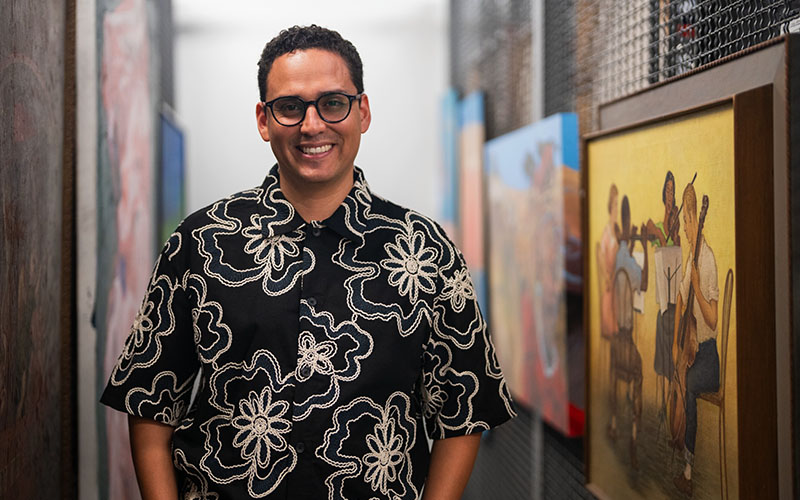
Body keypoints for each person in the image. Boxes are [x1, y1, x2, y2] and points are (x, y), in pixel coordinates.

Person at [100, 25, 515, 500]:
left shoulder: (426, 251)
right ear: (263, 119)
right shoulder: (199, 243)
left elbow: (462, 411)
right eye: (290, 107)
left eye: (333, 103)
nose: (312, 125)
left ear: (363, 112)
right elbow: (150, 403)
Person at [672, 183, 719, 497]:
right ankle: (679, 447)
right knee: (681, 375)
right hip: (692, 351)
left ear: (694, 218)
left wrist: (699, 289)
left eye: (686, 223)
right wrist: (677, 340)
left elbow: (713, 320)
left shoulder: (707, 260)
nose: (685, 230)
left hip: (709, 357)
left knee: (688, 384)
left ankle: (688, 471)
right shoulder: (692, 257)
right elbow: (680, 297)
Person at [606, 195, 647, 469]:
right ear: (628, 224)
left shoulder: (616, 258)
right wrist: (642, 244)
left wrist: (629, 243)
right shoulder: (631, 263)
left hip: (615, 343)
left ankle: (611, 422)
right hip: (627, 341)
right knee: (640, 372)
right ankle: (634, 435)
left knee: (612, 371)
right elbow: (643, 286)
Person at [644, 171, 681, 424]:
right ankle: (662, 402)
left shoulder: (676, 228)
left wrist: (673, 233)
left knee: (673, 354)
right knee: (661, 358)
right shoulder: (658, 227)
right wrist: (660, 235)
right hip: (663, 303)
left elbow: (676, 249)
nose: (670, 195)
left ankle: (672, 402)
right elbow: (648, 232)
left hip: (675, 302)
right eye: (667, 190)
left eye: (672, 190)